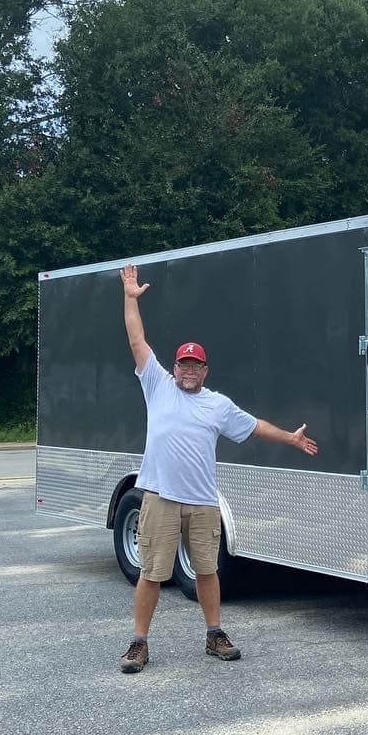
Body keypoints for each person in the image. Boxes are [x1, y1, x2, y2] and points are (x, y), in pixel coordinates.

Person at [117, 265, 318, 674]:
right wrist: (130, 297)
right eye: (183, 364)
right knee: (152, 574)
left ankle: (215, 634)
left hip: (204, 502)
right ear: (173, 368)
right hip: (159, 497)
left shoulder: (217, 404)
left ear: (205, 371)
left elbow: (255, 426)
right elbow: (137, 339)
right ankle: (139, 643)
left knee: (207, 572)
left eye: (196, 366)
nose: (189, 371)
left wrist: (291, 438)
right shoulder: (155, 385)